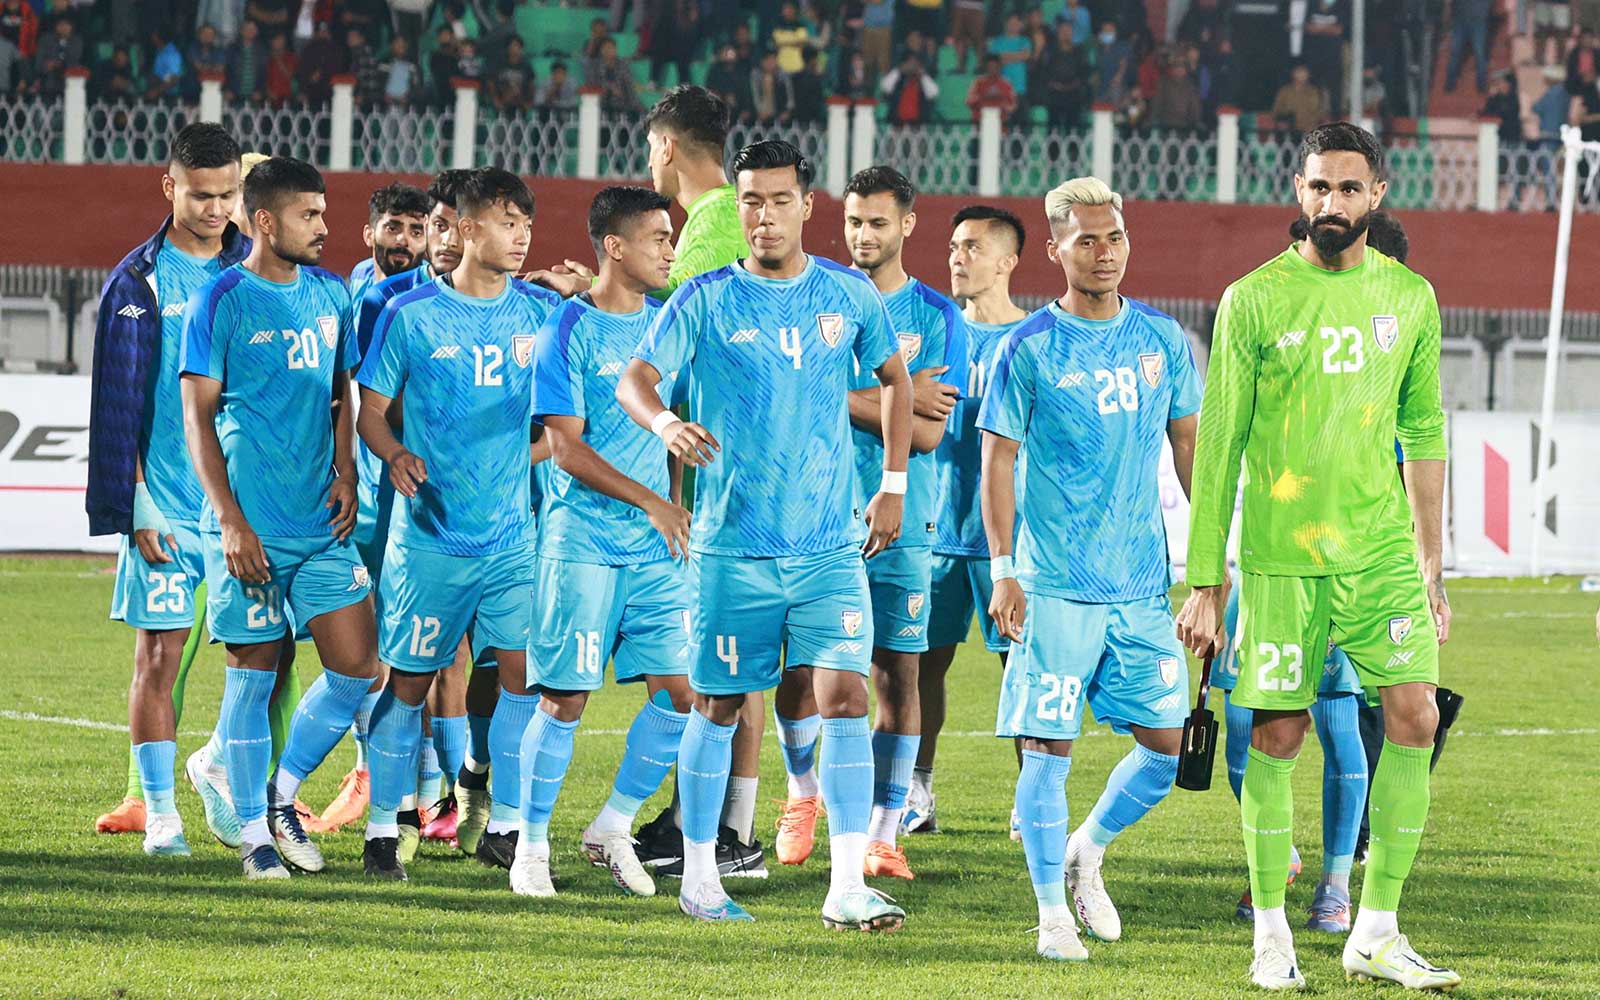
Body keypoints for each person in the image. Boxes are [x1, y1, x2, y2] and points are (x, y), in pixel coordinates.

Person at [1176, 122, 1456, 991]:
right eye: (1316, 188)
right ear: (1298, 194)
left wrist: (1432, 563)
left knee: (1416, 719)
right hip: (1282, 561)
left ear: (1378, 195)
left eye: (1347, 189)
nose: (1329, 203)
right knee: (1280, 734)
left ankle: (1375, 931)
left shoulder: (1411, 297)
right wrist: (1205, 583)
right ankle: (1270, 933)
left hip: (1380, 558)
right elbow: (1218, 446)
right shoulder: (1252, 299)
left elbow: (1424, 431)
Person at [616, 139, 914, 929]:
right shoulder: (706, 298)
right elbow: (634, 379)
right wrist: (668, 421)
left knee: (847, 697)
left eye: (780, 199)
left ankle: (846, 884)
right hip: (731, 549)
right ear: (737, 206)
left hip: (827, 547)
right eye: (751, 200)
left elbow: (893, 380)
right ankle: (702, 873)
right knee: (716, 707)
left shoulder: (848, 296)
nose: (764, 214)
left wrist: (892, 485)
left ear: (807, 206)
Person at [979, 177, 1199, 963]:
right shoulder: (1027, 346)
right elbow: (997, 461)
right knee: (1047, 749)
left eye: (1115, 239)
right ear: (1055, 249)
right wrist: (1004, 569)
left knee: (1169, 746)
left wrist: (1206, 567)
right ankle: (1049, 915)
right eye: (1086, 241)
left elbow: (1187, 449)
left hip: (1141, 585)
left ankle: (1087, 851)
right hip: (1054, 586)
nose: (1104, 254)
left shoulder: (1164, 341)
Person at [179, 156, 383, 880]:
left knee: (360, 667)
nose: (326, 228)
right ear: (264, 221)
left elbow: (340, 394)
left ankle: (275, 796)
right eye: (310, 215)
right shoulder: (221, 300)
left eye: (324, 214)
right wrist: (230, 521)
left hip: (320, 522)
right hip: (252, 529)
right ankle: (255, 840)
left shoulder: (333, 295)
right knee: (254, 673)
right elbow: (197, 422)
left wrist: (349, 468)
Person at [352, 167, 557, 881]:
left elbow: (560, 420)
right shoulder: (410, 316)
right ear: (467, 230)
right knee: (408, 683)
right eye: (507, 222)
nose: (522, 236)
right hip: (431, 540)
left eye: (526, 224)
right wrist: (397, 454)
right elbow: (369, 412)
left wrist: (534, 448)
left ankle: (504, 825)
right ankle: (385, 828)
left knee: (521, 682)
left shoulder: (539, 315)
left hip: (512, 538)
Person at [771, 167, 966, 882]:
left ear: (908, 226)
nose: (863, 235)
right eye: (854, 221)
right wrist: (897, 397)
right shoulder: (815, 296)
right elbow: (899, 411)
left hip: (904, 520)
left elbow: (925, 438)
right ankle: (801, 795)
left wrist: (831, 392)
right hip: (811, 515)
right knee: (799, 671)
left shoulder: (937, 315)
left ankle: (886, 832)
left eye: (878, 223)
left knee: (897, 674)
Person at [513, 185, 694, 899]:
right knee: (565, 700)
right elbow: (564, 449)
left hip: (656, 547)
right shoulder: (568, 329)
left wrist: (674, 501)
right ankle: (529, 845)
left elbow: (673, 424)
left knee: (682, 695)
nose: (669, 249)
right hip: (582, 541)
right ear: (614, 246)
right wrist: (654, 501)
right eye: (656, 236)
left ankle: (612, 824)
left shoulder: (664, 327)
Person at [85, 124, 253, 851]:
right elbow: (116, 401)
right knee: (158, 655)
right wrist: (136, 501)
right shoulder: (137, 282)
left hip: (243, 512)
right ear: (170, 187)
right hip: (166, 506)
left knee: (259, 658)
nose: (215, 209)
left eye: (226, 196)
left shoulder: (256, 271)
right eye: (200, 195)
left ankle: (217, 766)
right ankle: (158, 812)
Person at [628, 84, 765, 879]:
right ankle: (702, 821)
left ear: (667, 148)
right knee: (722, 662)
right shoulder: (711, 226)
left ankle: (721, 831)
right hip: (719, 476)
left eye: (651, 146)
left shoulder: (712, 227)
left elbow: (693, 355)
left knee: (724, 664)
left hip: (720, 481)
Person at [317, 170, 477, 849]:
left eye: (424, 228)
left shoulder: (497, 299)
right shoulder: (375, 301)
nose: (411, 241)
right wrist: (352, 468)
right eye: (402, 228)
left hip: (455, 502)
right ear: (371, 233)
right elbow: (351, 398)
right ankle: (380, 780)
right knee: (386, 647)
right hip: (382, 498)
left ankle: (446, 789)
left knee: (455, 652)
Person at [908, 205, 1031, 836]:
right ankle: (917, 791)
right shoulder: (935, 333)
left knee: (1022, 670)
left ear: (1009, 262)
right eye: (954, 245)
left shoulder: (1035, 339)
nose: (958, 256)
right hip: (934, 531)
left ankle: (1028, 799)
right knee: (920, 666)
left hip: (1008, 542)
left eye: (974, 247)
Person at [349, 183, 430, 307]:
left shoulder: (433, 293)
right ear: (369, 235)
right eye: (392, 229)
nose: (403, 241)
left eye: (416, 233)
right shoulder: (361, 274)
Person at [879, 51, 938, 126]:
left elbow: (934, 93)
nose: (912, 66)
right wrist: (899, 70)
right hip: (897, 126)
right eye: (909, 62)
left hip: (917, 127)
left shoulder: (923, 80)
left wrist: (923, 75)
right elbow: (884, 87)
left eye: (915, 63)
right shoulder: (897, 78)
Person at [1272, 63, 1329, 134]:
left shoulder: (1314, 91)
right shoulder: (1284, 91)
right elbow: (1276, 111)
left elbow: (1320, 111)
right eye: (1299, 71)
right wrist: (1281, 122)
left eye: (1305, 72)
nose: (1302, 75)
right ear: (1293, 73)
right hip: (1289, 132)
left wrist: (1315, 123)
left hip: (1309, 131)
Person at [967, 54, 1019, 125]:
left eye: (995, 67)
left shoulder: (1006, 84)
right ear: (986, 67)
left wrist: (1000, 102)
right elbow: (969, 101)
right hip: (980, 122)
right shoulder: (978, 82)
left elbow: (1012, 106)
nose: (993, 70)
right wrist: (984, 97)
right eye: (990, 67)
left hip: (1001, 124)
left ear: (1000, 67)